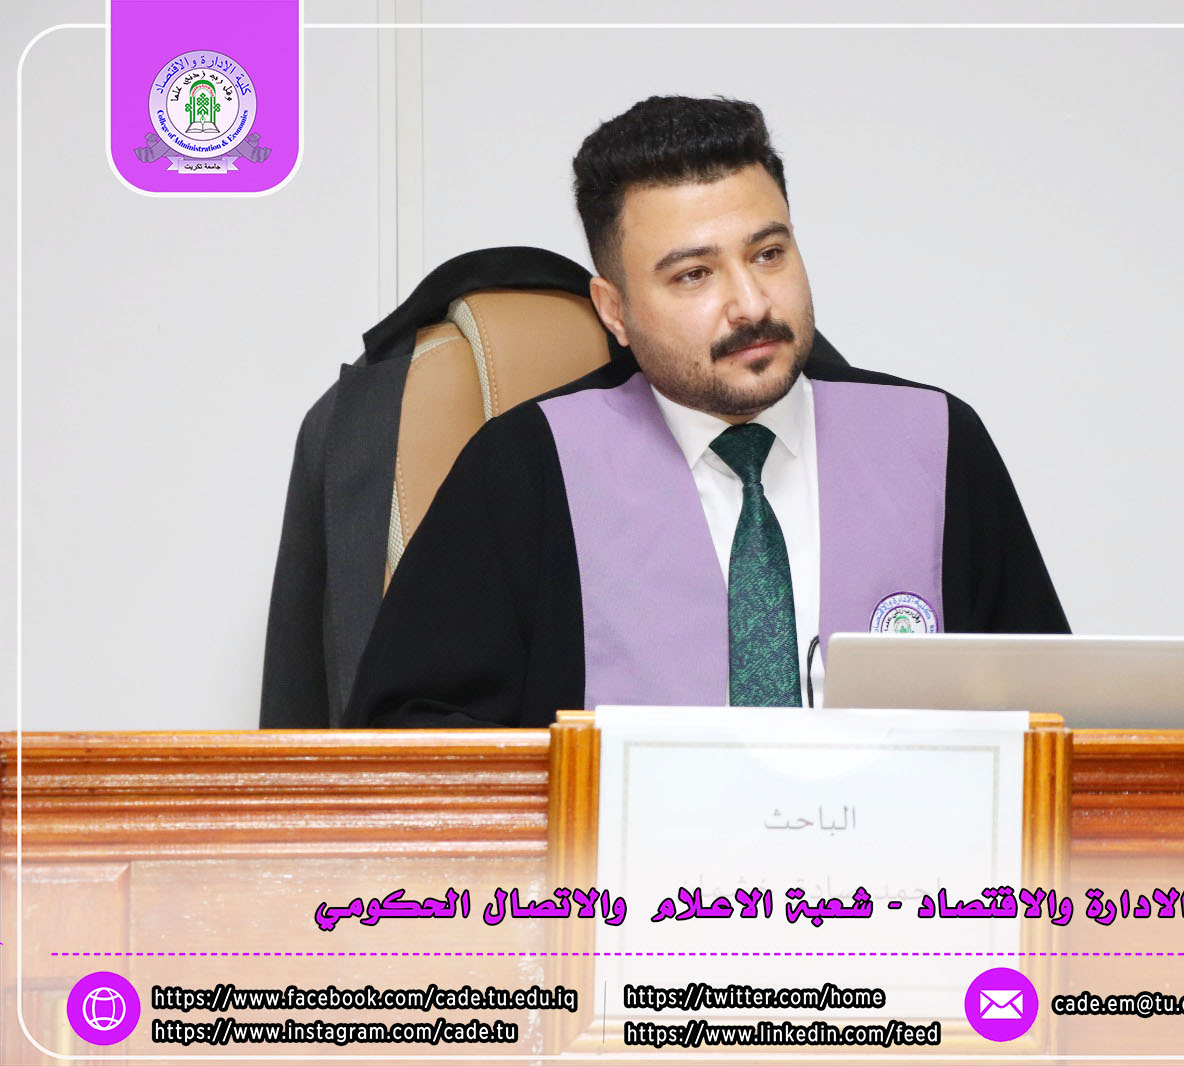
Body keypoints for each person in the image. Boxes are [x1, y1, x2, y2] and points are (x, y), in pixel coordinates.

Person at [347, 95, 1067, 728]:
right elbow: (412, 739)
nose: (751, 304)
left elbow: (1052, 719)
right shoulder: (528, 468)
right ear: (615, 311)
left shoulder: (936, 444)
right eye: (694, 274)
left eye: (769, 254)